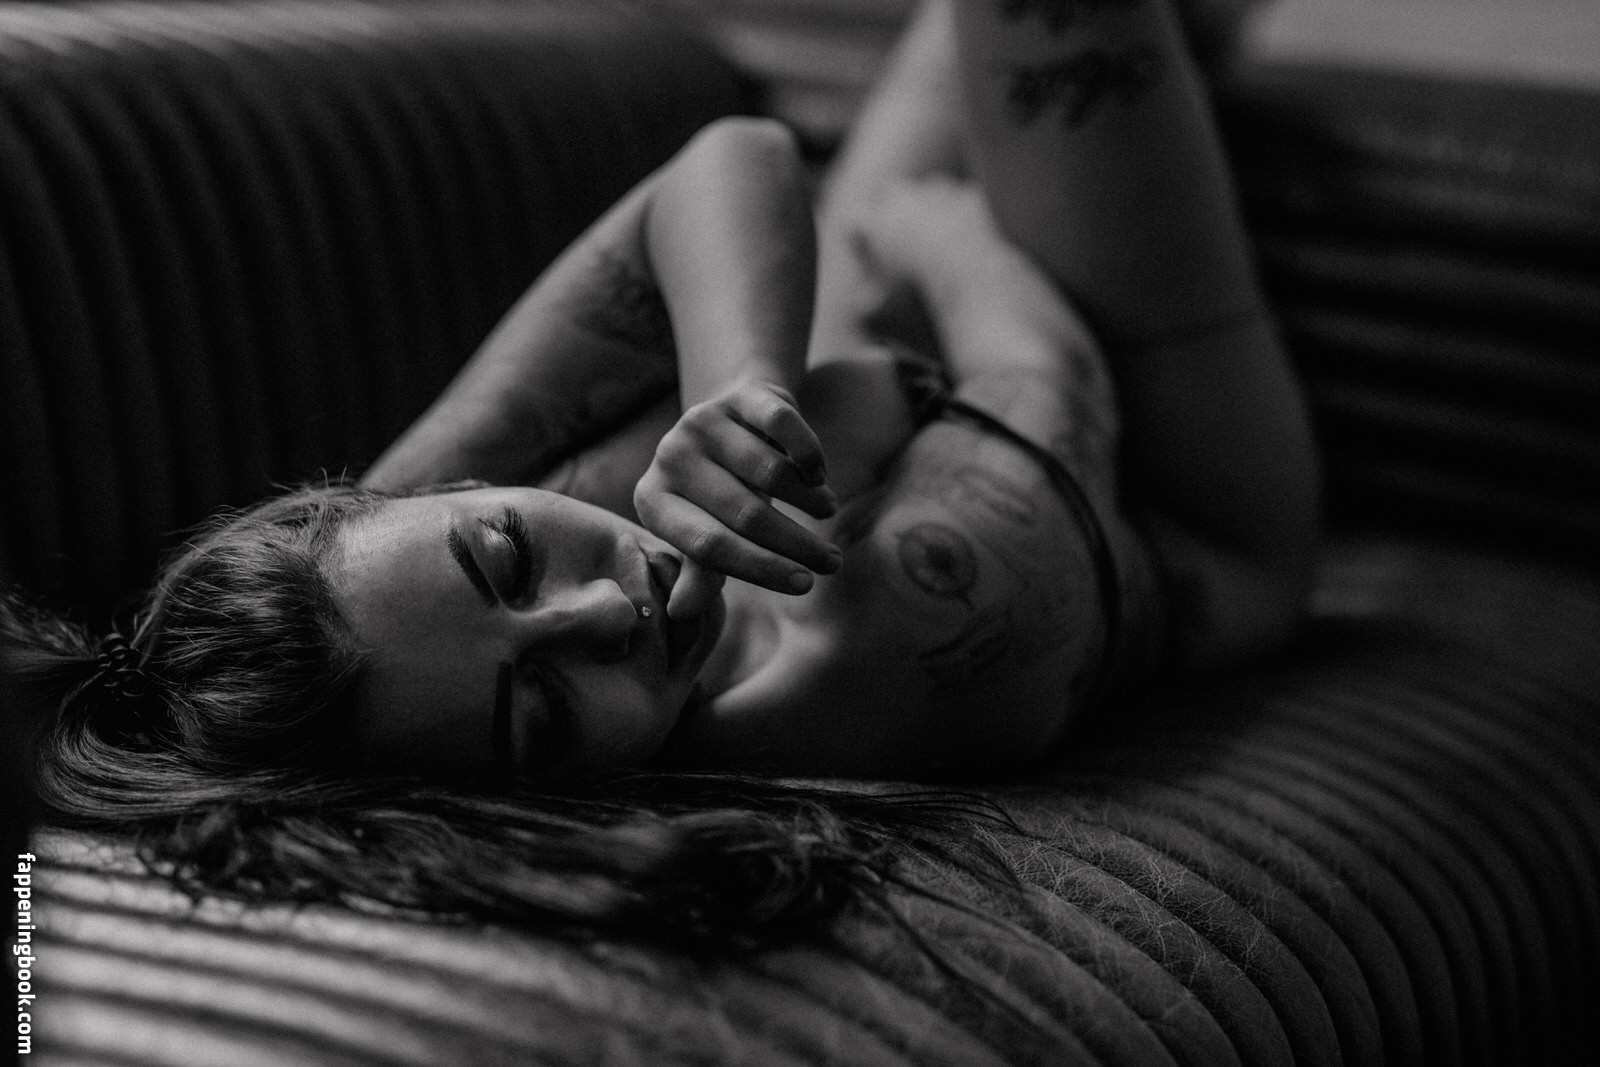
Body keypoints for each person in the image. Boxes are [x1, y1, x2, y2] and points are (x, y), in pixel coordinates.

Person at [3, 1, 1316, 942]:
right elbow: (1051, 379)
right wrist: (936, 241)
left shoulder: (412, 584)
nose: (601, 612)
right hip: (1170, 493)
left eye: (505, 552)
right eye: (544, 713)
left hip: (877, 318)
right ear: (519, 801)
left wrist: (734, 391)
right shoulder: (873, 654)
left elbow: (734, 163)